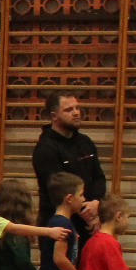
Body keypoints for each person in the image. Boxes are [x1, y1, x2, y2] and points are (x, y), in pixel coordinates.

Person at [31, 90, 108, 228]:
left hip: (89, 221)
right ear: (54, 116)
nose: (76, 113)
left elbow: (98, 177)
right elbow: (59, 191)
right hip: (59, 225)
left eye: (77, 108)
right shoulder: (46, 148)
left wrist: (96, 203)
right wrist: (87, 214)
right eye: (69, 109)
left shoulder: (85, 142)